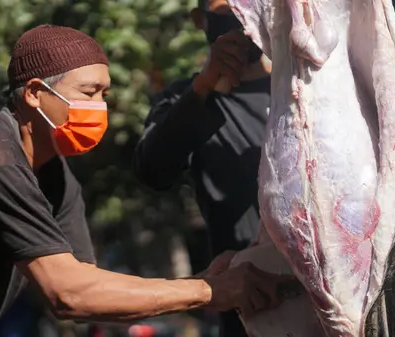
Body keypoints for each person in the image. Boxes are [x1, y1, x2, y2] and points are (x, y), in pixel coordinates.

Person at [0, 25, 297, 337]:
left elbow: (94, 290)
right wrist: (210, 291)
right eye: (88, 92)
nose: (99, 107)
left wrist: (204, 278)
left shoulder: (57, 179)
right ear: (34, 94)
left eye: (104, 94)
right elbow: (68, 294)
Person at [132, 0, 272, 336]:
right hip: (249, 308)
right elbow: (153, 170)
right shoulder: (186, 98)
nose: (238, 21)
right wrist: (203, 86)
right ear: (200, 20)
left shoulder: (303, 90)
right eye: (225, 10)